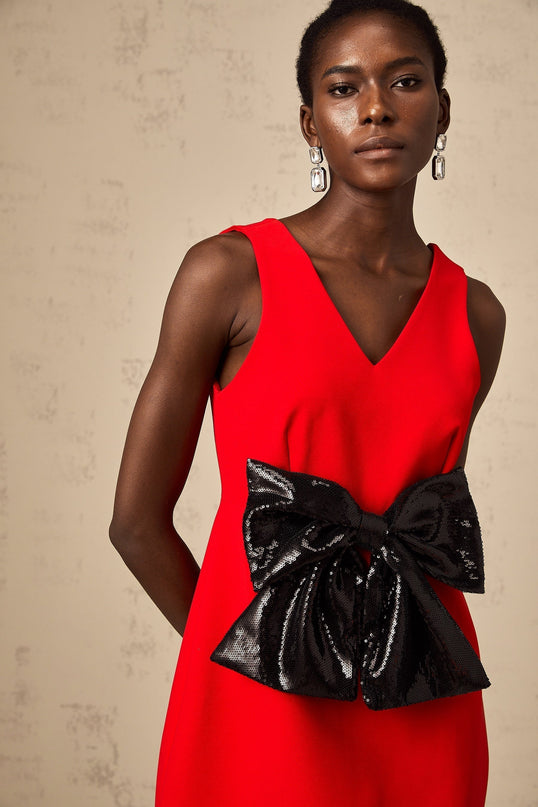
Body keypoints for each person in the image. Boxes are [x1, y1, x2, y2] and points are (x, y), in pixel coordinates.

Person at [110, 0, 505, 804]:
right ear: (309, 122)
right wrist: (260, 655)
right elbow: (135, 522)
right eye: (343, 87)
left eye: (405, 80)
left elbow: (425, 528)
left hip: (422, 697)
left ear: (443, 110)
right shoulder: (227, 274)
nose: (376, 108)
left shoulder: (477, 314)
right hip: (264, 697)